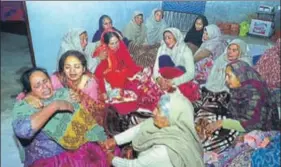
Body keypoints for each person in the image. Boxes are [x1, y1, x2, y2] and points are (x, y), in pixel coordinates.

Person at [12, 67, 114, 167]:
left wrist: (102, 141)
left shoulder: (63, 93)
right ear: (29, 91)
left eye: (45, 81)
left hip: (79, 147)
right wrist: (54, 106)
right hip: (48, 157)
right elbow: (23, 131)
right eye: (37, 85)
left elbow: (86, 121)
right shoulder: (25, 106)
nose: (45, 87)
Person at [102, 88, 204, 167]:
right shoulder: (174, 126)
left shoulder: (165, 151)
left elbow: (135, 165)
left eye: (159, 110)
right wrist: (115, 140)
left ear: (171, 119)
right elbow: (141, 127)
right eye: (157, 107)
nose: (154, 112)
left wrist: (112, 159)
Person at [196, 60, 280, 154]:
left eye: (230, 76)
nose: (226, 80)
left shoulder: (255, 94)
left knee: (217, 144)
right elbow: (233, 111)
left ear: (240, 76)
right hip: (243, 124)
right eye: (226, 75)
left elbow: (251, 124)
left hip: (263, 131)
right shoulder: (239, 89)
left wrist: (221, 123)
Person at [153, 27, 198, 101]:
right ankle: (166, 87)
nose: (167, 40)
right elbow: (156, 68)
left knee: (180, 68)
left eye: (169, 38)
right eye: (165, 38)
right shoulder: (162, 48)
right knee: (164, 59)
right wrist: (159, 79)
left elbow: (191, 73)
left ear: (176, 37)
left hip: (180, 78)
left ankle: (170, 89)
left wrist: (173, 82)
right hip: (165, 78)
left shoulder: (186, 50)